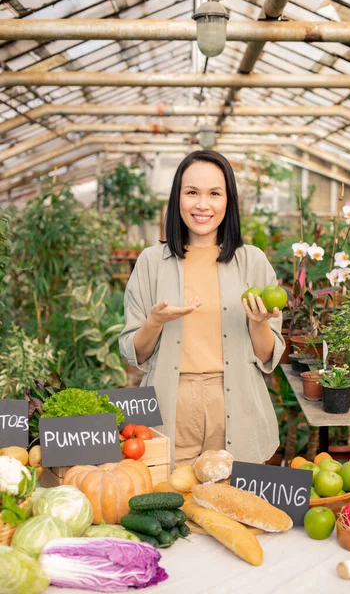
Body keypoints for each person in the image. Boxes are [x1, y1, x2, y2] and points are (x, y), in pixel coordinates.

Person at [119, 150, 285, 467]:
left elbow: (267, 357)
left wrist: (258, 323)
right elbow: (134, 353)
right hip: (170, 407)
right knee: (171, 508)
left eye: (214, 193)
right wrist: (154, 322)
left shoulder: (252, 261)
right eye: (192, 192)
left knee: (235, 509)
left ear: (229, 201)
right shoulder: (151, 262)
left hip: (237, 405)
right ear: (177, 197)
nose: (202, 205)